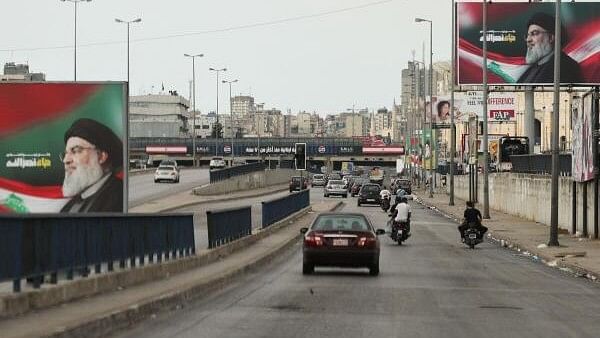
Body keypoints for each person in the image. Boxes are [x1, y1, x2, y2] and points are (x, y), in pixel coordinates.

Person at [60, 118, 124, 213]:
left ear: (101, 157)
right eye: (66, 153)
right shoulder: (69, 207)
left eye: (76, 151)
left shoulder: (120, 196)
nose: (66, 160)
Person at [517, 12, 582, 84]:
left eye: (534, 33)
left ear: (551, 38)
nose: (528, 40)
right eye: (528, 35)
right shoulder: (530, 70)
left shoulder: (567, 67)